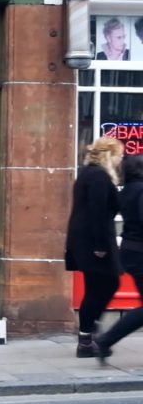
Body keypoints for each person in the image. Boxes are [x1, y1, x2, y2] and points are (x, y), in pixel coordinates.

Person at [65, 137, 124, 358]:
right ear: (109, 155)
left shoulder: (88, 174)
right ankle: (88, 337)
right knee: (107, 285)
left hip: (85, 241)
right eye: (119, 155)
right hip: (95, 242)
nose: (120, 160)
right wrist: (100, 246)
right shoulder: (99, 177)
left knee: (96, 289)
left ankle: (87, 338)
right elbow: (98, 212)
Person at [94, 154, 143, 363]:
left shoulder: (128, 190)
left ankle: (105, 341)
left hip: (131, 251)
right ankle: (105, 340)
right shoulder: (141, 190)